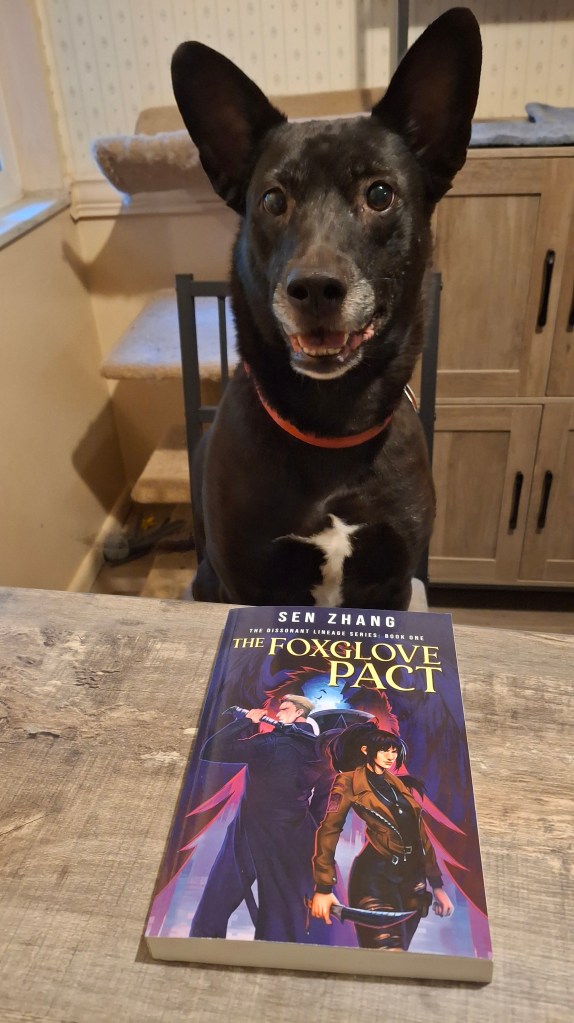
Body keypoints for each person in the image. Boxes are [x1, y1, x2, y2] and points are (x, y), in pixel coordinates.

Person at [190, 695, 334, 943]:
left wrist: (246, 721)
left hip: (248, 830)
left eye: (284, 709)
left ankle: (202, 946)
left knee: (217, 902)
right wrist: (303, 829)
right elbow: (322, 804)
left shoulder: (270, 743)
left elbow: (210, 750)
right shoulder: (323, 753)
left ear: (300, 712)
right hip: (294, 835)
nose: (277, 714)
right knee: (282, 912)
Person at [311, 722, 453, 950]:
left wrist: (436, 886)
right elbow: (329, 830)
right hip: (375, 879)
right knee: (387, 951)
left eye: (394, 750)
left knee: (398, 955)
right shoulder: (348, 781)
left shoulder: (397, 785)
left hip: (413, 883)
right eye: (384, 750)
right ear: (365, 750)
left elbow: (420, 836)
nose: (390, 756)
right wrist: (323, 887)